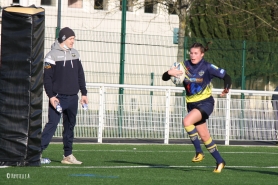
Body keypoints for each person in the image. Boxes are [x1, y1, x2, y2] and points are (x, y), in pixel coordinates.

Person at [162, 42, 231, 173]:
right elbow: (164, 78)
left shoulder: (207, 67)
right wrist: (168, 72)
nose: (193, 55)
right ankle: (220, 161)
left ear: (202, 54)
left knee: (187, 121)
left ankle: (199, 152)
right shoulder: (183, 66)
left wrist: (226, 88)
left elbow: (226, 76)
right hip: (191, 104)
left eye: (196, 53)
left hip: (206, 103)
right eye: (191, 53)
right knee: (205, 137)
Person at [41, 27, 88, 164]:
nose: (73, 41)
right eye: (70, 39)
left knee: (70, 127)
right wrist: (51, 96)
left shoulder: (75, 54)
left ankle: (68, 155)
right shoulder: (51, 55)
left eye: (73, 38)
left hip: (73, 97)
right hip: (58, 98)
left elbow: (80, 75)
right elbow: (47, 78)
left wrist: (83, 93)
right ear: (63, 39)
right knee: (52, 125)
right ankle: (36, 154)